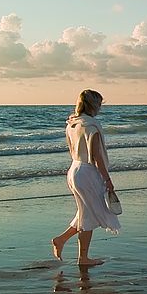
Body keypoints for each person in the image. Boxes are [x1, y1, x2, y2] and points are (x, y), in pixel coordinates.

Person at [51, 89, 120, 265]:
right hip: (87, 172)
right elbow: (96, 156)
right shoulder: (91, 126)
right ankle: (82, 258)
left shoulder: (72, 124)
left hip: (74, 169)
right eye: (99, 104)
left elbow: (72, 150)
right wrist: (108, 180)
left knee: (85, 213)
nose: (100, 108)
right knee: (89, 216)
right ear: (93, 105)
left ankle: (63, 241)